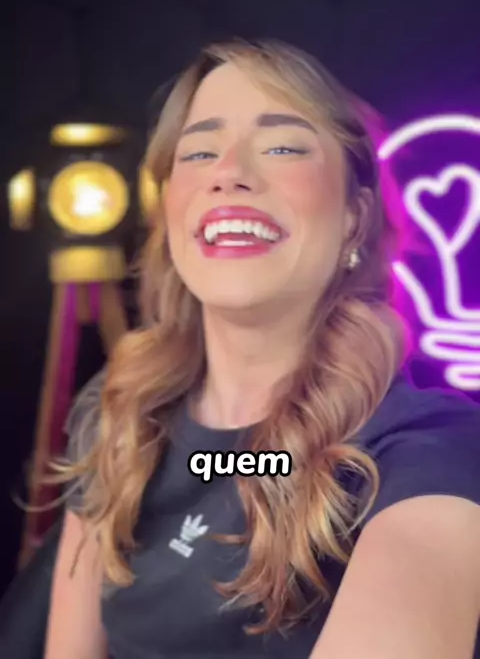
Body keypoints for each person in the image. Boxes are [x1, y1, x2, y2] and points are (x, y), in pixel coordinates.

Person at [44, 40, 480, 659]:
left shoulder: (435, 449)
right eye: (198, 152)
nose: (228, 173)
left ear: (355, 217)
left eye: (282, 147)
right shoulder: (117, 410)